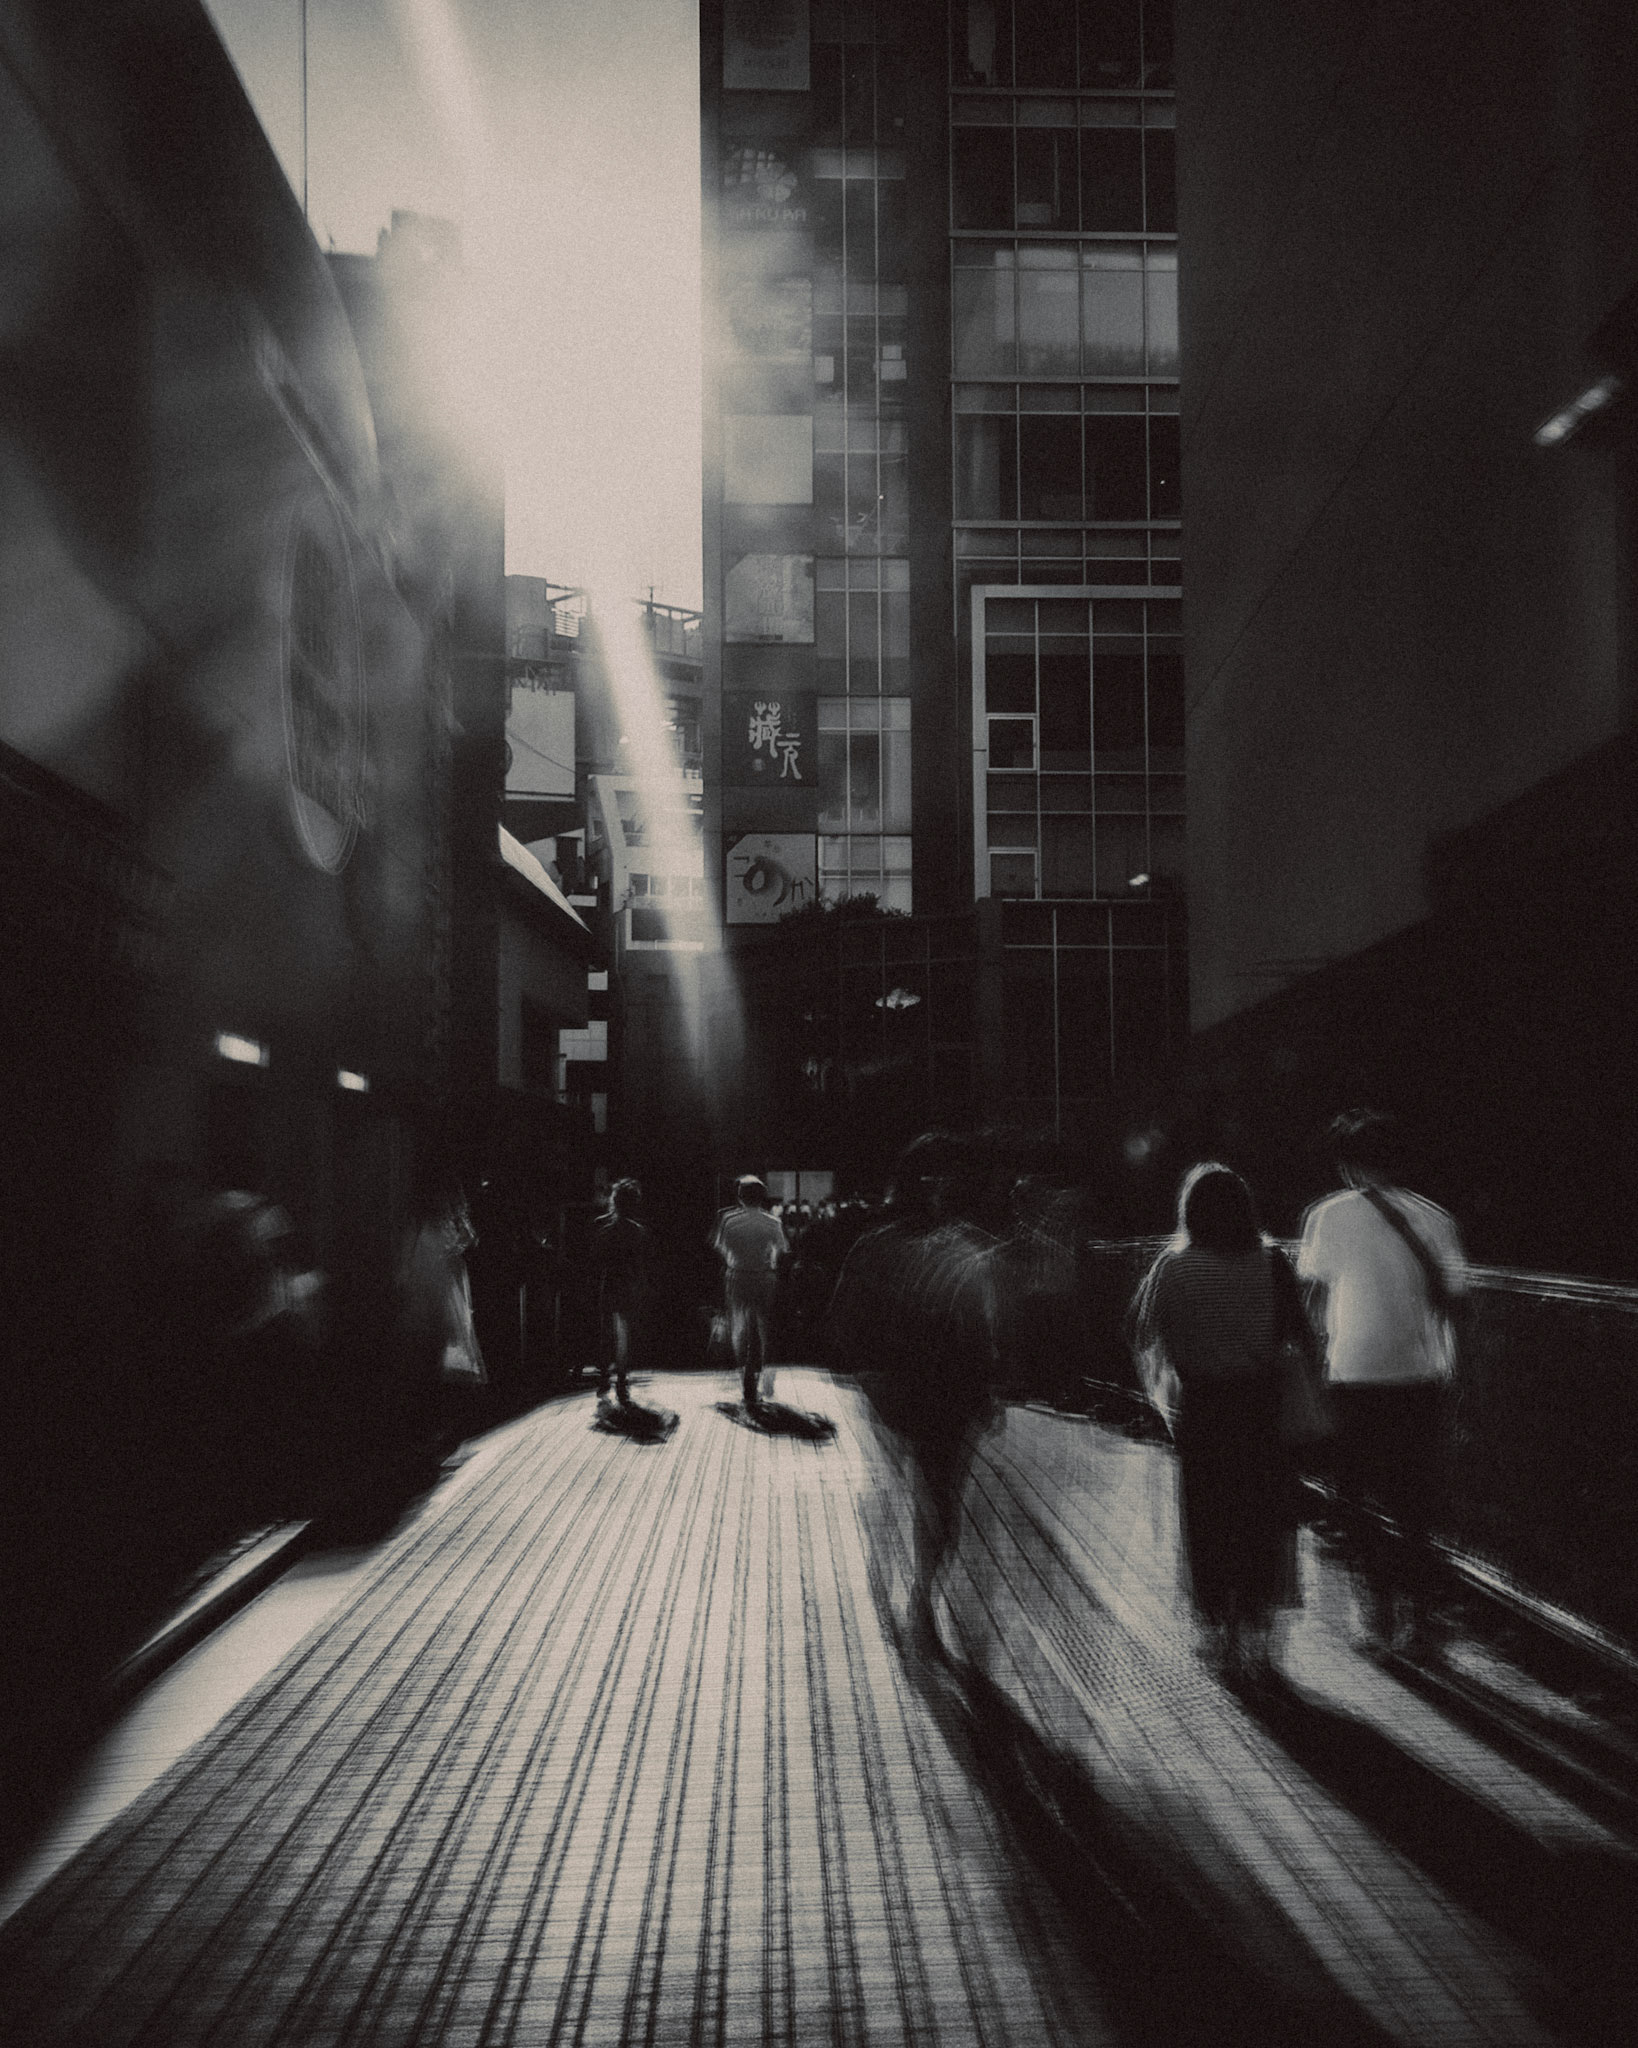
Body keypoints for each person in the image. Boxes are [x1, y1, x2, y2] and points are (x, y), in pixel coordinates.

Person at [1131, 1162, 1317, 1685]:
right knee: (1261, 1518)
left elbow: (1144, 1332)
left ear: (1190, 1211)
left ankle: (1221, 1632)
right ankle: (1260, 1634)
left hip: (1202, 1409)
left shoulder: (1172, 1267)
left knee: (1209, 1520)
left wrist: (1170, 1381)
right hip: (1261, 1407)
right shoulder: (1272, 1262)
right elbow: (1299, 1335)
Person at [1296, 1111, 1467, 1656]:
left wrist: (1312, 1364)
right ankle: (1420, 1621)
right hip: (1420, 1375)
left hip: (1352, 1375)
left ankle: (1376, 1617)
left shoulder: (1326, 1215)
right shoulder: (1436, 1218)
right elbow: (1456, 1302)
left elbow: (1314, 1297)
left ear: (1347, 1165)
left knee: (1357, 1499)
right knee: (1415, 1503)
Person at [711, 1176, 788, 1414]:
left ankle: (745, 1376)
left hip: (737, 1276)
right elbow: (780, 1251)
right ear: (762, 1197)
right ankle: (761, 1374)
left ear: (740, 1197)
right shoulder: (772, 1222)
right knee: (763, 1327)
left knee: (739, 1327)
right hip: (764, 1277)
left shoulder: (729, 1220)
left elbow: (721, 1248)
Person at [591, 1179, 649, 1414]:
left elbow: (594, 1259)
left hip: (608, 1282)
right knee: (624, 1334)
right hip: (628, 1284)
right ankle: (622, 1381)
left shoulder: (601, 1226)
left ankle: (604, 1376)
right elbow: (640, 1264)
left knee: (606, 1331)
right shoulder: (637, 1231)